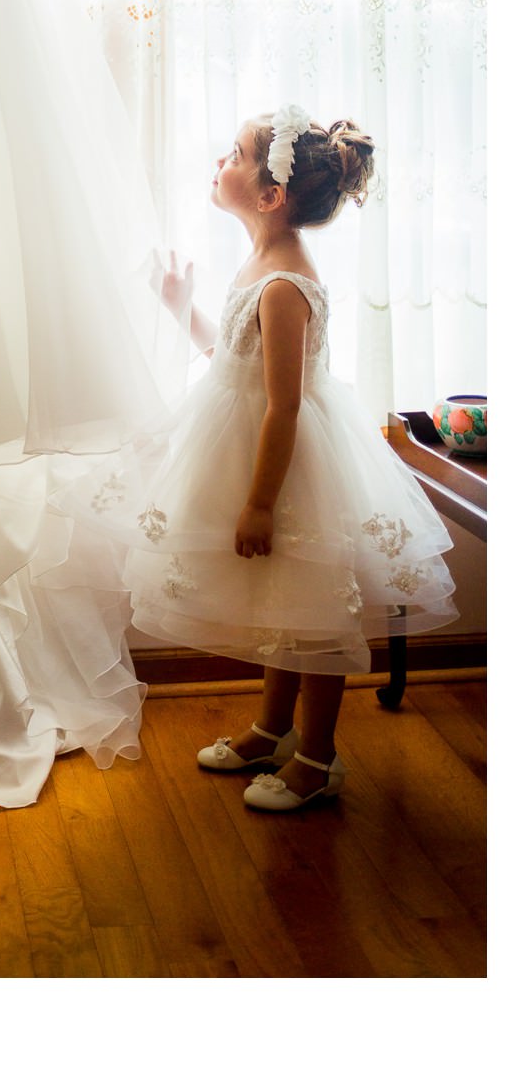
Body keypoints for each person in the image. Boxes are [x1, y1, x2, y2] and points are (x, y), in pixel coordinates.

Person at [126, 107, 457, 811]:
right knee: (278, 602)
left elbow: (283, 404)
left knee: (311, 613)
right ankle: (270, 728)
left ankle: (317, 757)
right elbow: (232, 362)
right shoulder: (257, 265)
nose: (218, 162)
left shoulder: (283, 285)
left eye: (233, 154)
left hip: (286, 467)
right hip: (248, 449)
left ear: (270, 195)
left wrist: (258, 502)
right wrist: (182, 309)